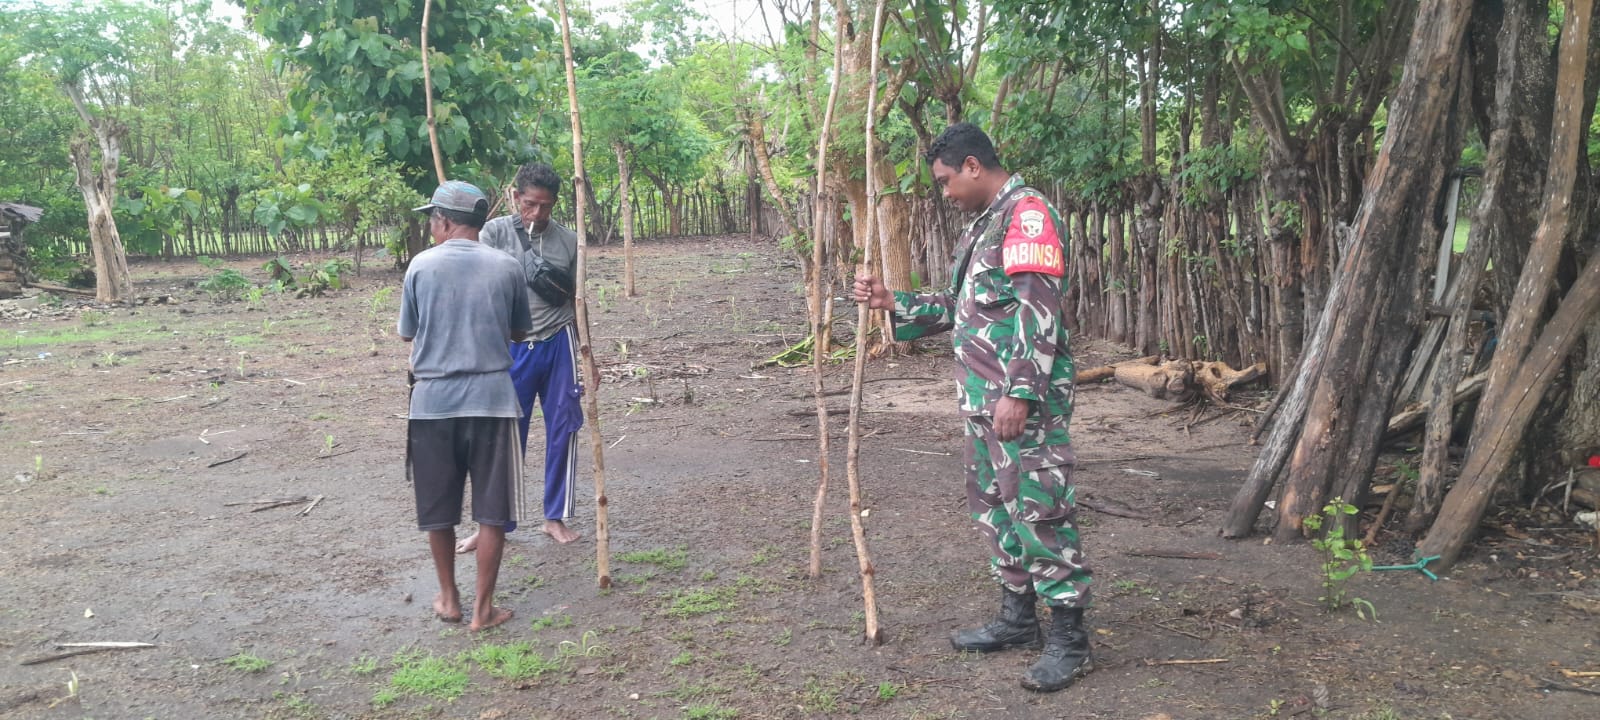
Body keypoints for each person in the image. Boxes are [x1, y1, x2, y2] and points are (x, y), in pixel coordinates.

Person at [852, 122, 1093, 693]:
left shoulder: (1026, 215)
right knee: (995, 507)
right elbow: (966, 308)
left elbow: (1039, 310)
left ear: (973, 167)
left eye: (945, 182)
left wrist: (1021, 392)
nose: (945, 193)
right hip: (983, 402)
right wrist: (893, 302)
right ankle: (1017, 618)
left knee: (1040, 508)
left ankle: (1069, 639)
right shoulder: (986, 224)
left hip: (1018, 402)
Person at [398, 180, 532, 632]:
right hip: (493, 402)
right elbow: (519, 333)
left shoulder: (420, 266)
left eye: (432, 219)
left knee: (438, 509)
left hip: (432, 403)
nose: (431, 226)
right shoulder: (507, 266)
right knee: (492, 510)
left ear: (445, 221)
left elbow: (408, 331)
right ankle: (483, 610)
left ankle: (450, 598)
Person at [457, 163, 585, 551]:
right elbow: (476, 289)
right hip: (511, 347)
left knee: (565, 426)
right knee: (504, 435)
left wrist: (588, 356)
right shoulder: (493, 234)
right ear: (515, 197)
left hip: (560, 341)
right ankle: (495, 523)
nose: (537, 215)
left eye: (545, 207)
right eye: (529, 204)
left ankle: (554, 516)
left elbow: (579, 302)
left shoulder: (569, 241)